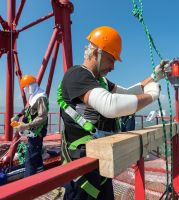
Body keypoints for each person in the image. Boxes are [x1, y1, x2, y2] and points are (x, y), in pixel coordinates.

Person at [59, 26, 169, 200]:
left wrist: (154, 77)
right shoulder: (77, 75)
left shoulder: (99, 81)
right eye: (111, 60)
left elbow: (125, 93)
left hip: (99, 160)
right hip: (81, 166)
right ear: (96, 52)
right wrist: (151, 95)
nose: (112, 67)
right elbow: (110, 106)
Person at [11, 75, 49, 177]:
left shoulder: (41, 97)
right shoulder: (34, 96)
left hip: (37, 132)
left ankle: (27, 183)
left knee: (30, 159)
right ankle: (41, 175)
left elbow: (42, 117)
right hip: (32, 131)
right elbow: (27, 109)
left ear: (31, 86)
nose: (24, 90)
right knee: (36, 155)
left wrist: (26, 126)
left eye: (25, 87)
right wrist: (17, 116)